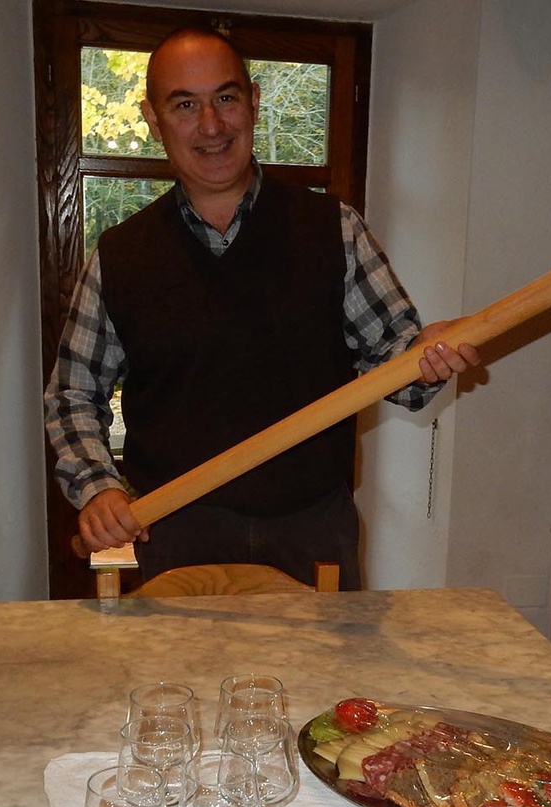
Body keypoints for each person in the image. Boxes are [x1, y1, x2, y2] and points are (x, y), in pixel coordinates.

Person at [44, 25, 480, 589]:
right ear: (153, 120)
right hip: (175, 536)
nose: (210, 125)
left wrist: (426, 355)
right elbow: (73, 392)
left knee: (323, 681)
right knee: (185, 681)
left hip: (314, 533)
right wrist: (98, 486)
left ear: (253, 101)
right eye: (185, 105)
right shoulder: (119, 256)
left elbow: (402, 371)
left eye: (225, 98)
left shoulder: (333, 231)